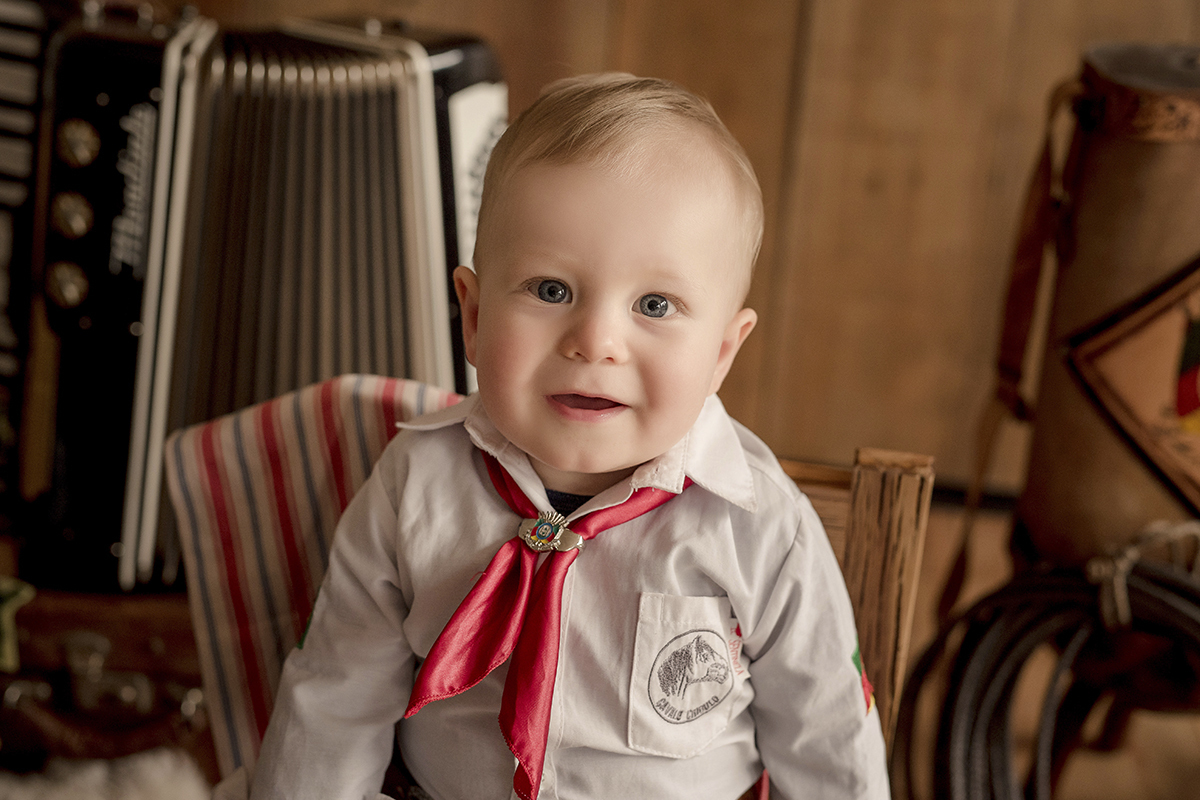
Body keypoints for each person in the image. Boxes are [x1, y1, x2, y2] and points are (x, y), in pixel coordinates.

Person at [239, 73, 889, 800]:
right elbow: (334, 703)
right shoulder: (415, 484)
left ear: (721, 354)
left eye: (655, 304)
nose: (596, 340)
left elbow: (830, 743)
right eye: (552, 290)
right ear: (475, 317)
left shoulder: (759, 528)